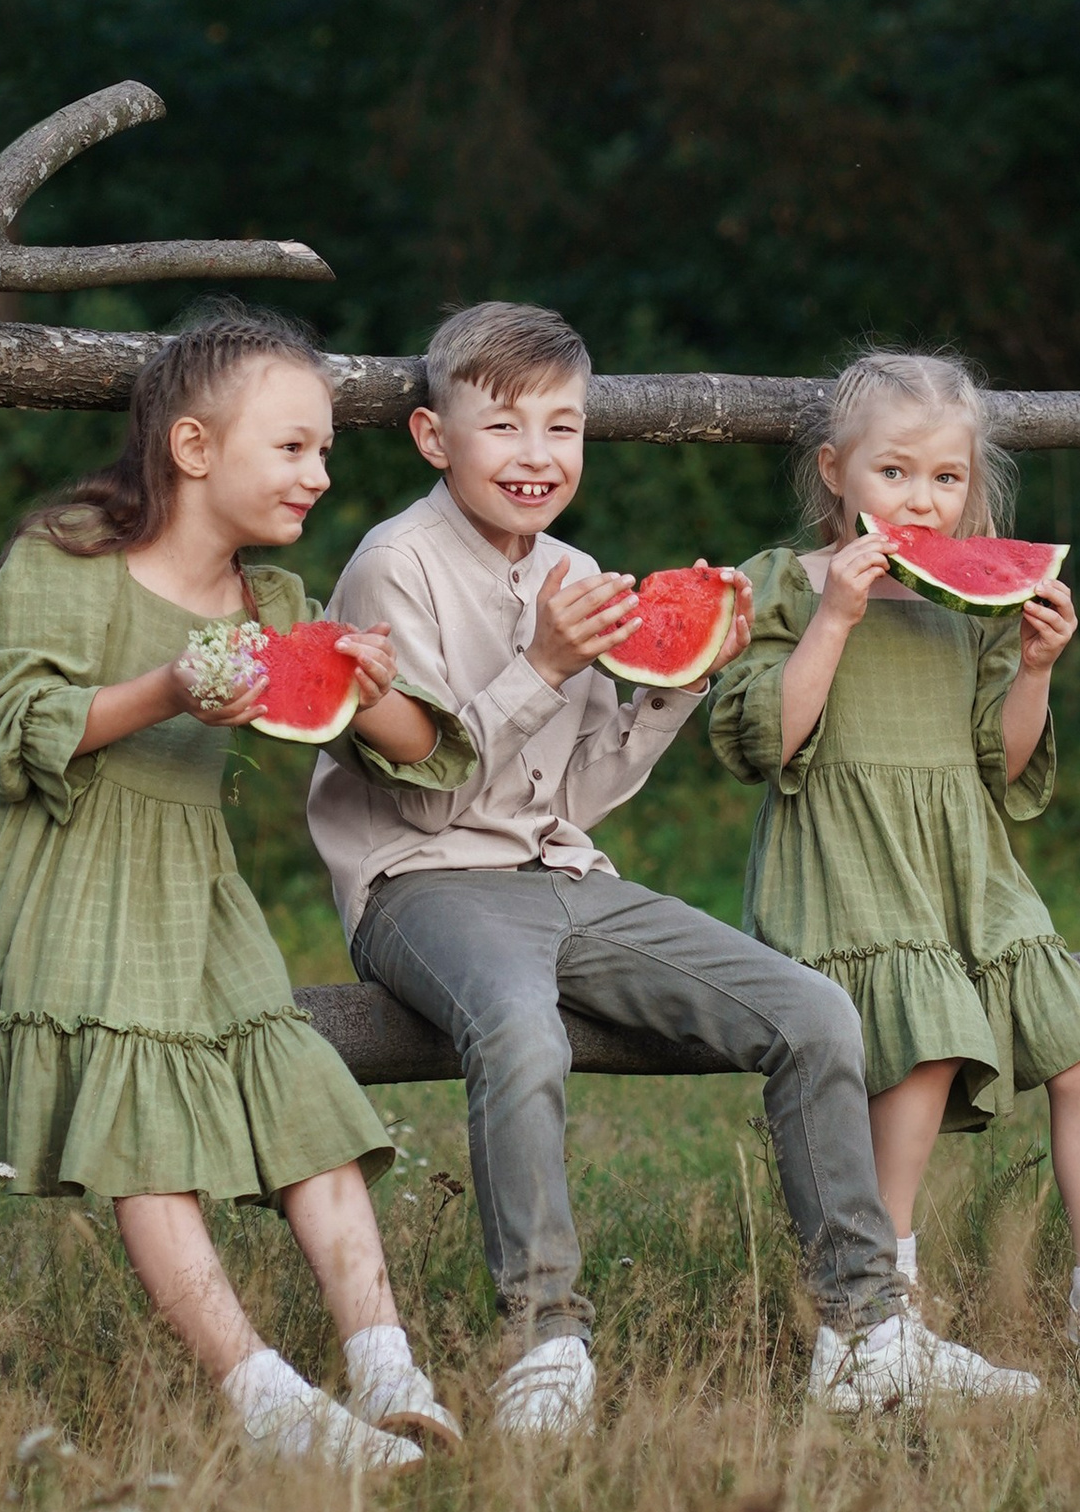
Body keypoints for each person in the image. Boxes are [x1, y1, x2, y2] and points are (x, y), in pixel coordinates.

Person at [310, 301, 1000, 1434]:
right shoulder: (394, 565)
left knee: (813, 1013)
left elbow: (575, 796)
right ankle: (545, 1341)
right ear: (435, 437)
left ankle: (863, 1331)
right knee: (521, 1030)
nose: (536, 455)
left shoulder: (575, 570)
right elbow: (428, 793)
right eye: (504, 427)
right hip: (422, 882)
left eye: (562, 428)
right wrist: (543, 663)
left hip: (565, 874)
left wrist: (680, 684)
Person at [0, 309, 475, 1468]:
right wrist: (168, 689)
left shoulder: (274, 603)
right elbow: (9, 727)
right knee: (144, 1113)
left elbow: (416, 750)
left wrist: (373, 685)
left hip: (189, 870)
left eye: (324, 449)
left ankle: (386, 1365)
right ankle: (267, 1402)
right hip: (58, 860)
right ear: (192, 447)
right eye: (291, 447)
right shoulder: (68, 557)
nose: (319, 473)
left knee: (298, 1086)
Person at [709, 347, 1080, 1373]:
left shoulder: (974, 607)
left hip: (970, 868)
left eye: (946, 477)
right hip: (847, 871)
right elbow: (768, 742)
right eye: (893, 472)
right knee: (923, 1052)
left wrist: (1038, 667)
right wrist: (836, 617)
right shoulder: (784, 583)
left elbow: (1001, 765)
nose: (920, 500)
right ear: (834, 470)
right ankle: (886, 1315)